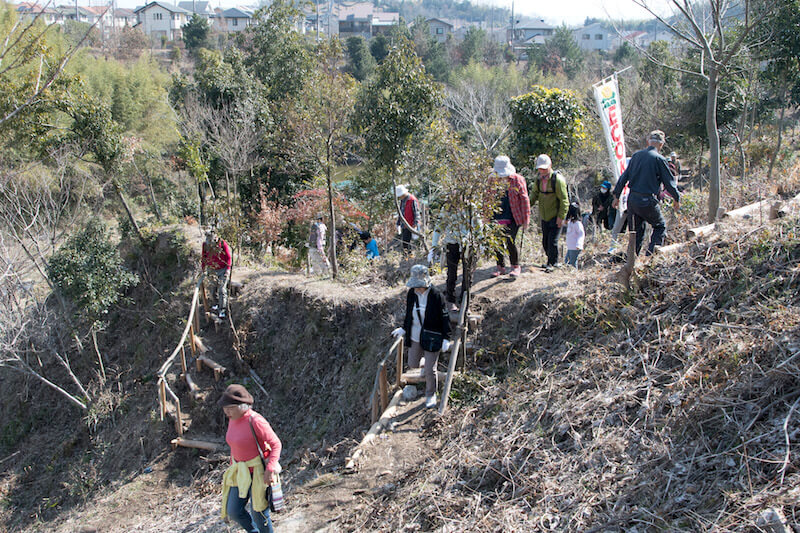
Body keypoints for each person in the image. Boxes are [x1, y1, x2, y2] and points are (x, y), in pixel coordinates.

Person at [219, 384, 282, 533]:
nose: (226, 411)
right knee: (233, 510)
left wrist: (270, 469)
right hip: (239, 472)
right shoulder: (232, 418)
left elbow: (276, 444)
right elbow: (235, 444)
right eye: (225, 408)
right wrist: (232, 464)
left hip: (258, 473)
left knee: (259, 513)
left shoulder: (255, 421)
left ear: (243, 406)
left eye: (230, 408)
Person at [391, 265, 452, 409]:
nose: (417, 288)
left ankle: (431, 393)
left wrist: (446, 337)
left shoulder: (436, 295)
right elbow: (408, 314)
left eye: (419, 285)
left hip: (432, 335)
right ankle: (424, 362)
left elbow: (445, 317)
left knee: (431, 370)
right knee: (412, 363)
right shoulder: (412, 294)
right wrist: (404, 329)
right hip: (415, 335)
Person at [613, 130, 681, 256]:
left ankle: (631, 261)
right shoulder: (659, 159)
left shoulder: (636, 156)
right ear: (661, 144)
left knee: (636, 233)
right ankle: (650, 258)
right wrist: (676, 198)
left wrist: (617, 195)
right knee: (660, 226)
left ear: (648, 142)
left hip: (632, 200)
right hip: (647, 200)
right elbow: (669, 182)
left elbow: (624, 177)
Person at [490, 155, 530, 278]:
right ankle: (500, 267)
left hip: (514, 216)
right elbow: (487, 198)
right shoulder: (492, 180)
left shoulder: (518, 180)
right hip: (497, 215)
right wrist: (485, 215)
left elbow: (524, 200)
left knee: (510, 239)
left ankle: (515, 266)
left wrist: (525, 220)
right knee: (496, 241)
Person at [529, 154, 569, 273]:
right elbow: (534, 195)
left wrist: (561, 217)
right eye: (540, 169)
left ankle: (553, 263)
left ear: (550, 166)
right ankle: (549, 261)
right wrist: (526, 206)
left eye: (544, 168)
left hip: (556, 215)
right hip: (544, 215)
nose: (542, 171)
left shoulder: (558, 180)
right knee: (545, 241)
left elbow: (564, 200)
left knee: (553, 241)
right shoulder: (538, 179)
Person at [202, 229, 232, 319]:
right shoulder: (205, 245)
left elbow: (228, 257)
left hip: (223, 269)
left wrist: (228, 269)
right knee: (212, 288)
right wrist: (203, 269)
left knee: (222, 289)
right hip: (212, 270)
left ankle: (222, 309)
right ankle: (215, 304)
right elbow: (204, 257)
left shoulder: (222, 243)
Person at [395, 185, 420, 254]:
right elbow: (401, 212)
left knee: (411, 243)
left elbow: (416, 213)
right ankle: (407, 256)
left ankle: (410, 257)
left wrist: (415, 225)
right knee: (405, 243)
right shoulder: (402, 201)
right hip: (404, 225)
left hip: (411, 225)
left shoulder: (412, 200)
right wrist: (398, 223)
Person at [564, 202, 585, 268]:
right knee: (566, 261)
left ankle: (573, 274)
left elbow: (581, 234)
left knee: (572, 263)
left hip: (575, 247)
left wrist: (579, 244)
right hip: (570, 246)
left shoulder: (577, 224)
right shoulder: (570, 222)